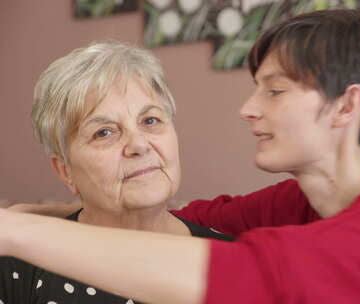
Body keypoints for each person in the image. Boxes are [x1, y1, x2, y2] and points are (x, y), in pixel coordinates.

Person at [0, 7, 360, 304]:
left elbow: (247, 274)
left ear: (346, 105)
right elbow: (182, 218)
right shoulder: (297, 205)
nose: (248, 109)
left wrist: (13, 232)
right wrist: (33, 213)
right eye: (104, 133)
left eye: (274, 91)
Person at [0, 41, 233, 304]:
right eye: (104, 132)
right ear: (66, 172)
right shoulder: (18, 260)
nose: (139, 145)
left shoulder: (234, 260)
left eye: (150, 120)